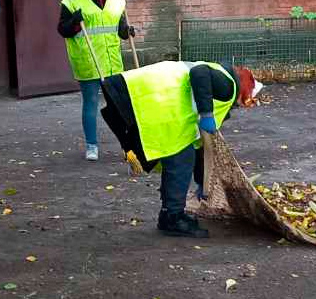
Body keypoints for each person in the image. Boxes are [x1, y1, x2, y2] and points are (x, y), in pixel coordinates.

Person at [99, 61, 262, 238]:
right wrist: (207, 114)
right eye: (249, 100)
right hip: (142, 96)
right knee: (181, 159)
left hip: (134, 92)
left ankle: (169, 213)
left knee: (183, 155)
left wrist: (202, 180)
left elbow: (201, 144)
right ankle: (173, 218)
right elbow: (200, 73)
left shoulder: (222, 75)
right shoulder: (228, 86)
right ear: (245, 92)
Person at [57, 0, 134, 161]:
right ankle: (92, 145)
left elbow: (120, 29)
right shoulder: (72, 0)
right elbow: (63, 30)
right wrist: (74, 20)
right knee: (90, 102)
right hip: (89, 60)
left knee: (119, 105)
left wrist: (127, 31)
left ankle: (127, 146)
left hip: (112, 60)